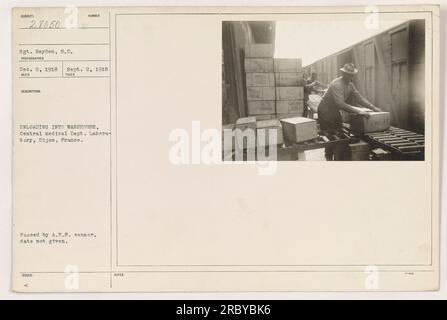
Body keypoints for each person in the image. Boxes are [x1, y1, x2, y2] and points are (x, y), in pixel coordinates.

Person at [317, 62, 381, 160]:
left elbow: (359, 98)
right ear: (343, 74)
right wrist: (359, 111)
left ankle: (338, 156)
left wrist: (373, 108)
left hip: (334, 110)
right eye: (348, 74)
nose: (350, 76)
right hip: (325, 110)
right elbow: (341, 104)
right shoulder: (336, 84)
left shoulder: (350, 85)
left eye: (351, 75)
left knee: (339, 132)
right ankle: (328, 157)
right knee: (329, 134)